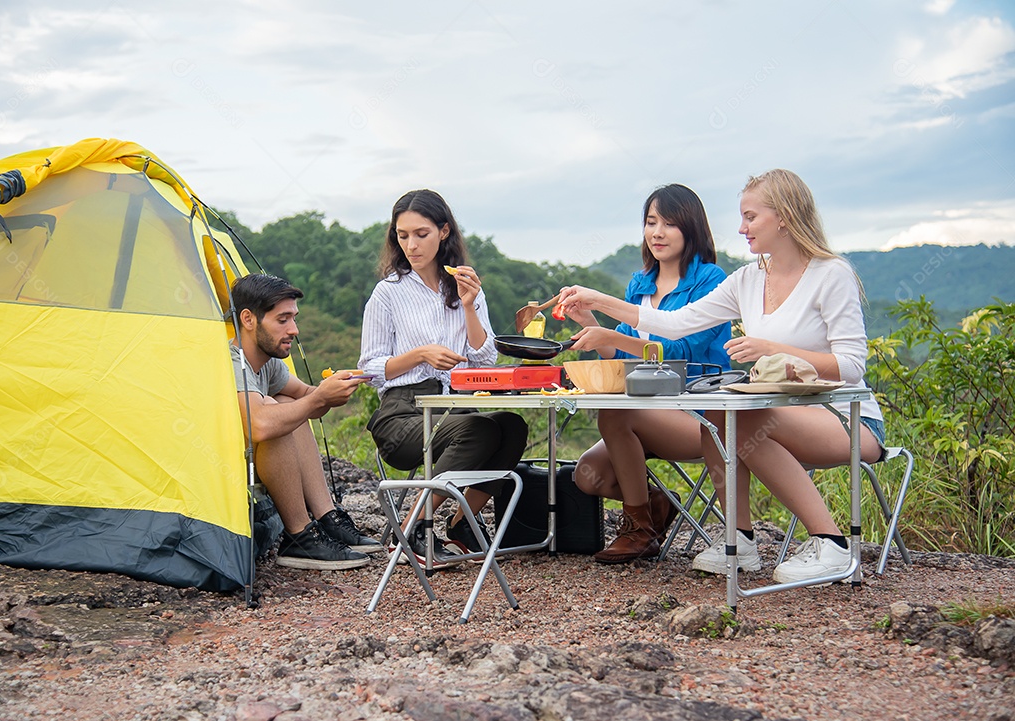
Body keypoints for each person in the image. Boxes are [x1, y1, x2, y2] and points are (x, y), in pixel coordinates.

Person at [559, 169, 885, 584]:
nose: (741, 227)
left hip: (848, 419)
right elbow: (673, 324)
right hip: (779, 411)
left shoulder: (829, 273)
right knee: (720, 410)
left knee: (740, 414)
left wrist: (772, 349)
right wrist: (597, 300)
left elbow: (852, 364)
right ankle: (739, 540)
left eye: (750, 217)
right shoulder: (748, 279)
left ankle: (832, 544)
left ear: (783, 217)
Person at [563, 184, 731, 564]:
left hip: (701, 417)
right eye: (651, 222)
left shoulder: (711, 281)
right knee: (586, 476)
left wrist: (608, 330)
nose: (657, 232)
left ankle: (638, 530)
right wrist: (592, 325)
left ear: (692, 229)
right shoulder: (640, 284)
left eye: (669, 224)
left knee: (618, 412)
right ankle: (655, 505)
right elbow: (620, 351)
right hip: (644, 413)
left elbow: (680, 352)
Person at [359, 189, 528, 565]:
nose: (411, 245)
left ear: (444, 231)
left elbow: (485, 362)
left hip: (457, 405)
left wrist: (469, 307)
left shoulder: (467, 287)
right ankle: (410, 529)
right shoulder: (388, 293)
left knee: (513, 426)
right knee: (478, 430)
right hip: (404, 411)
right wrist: (419, 355)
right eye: (402, 236)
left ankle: (461, 523)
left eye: (421, 234)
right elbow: (369, 367)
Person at [230, 273, 383, 570]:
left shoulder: (267, 362)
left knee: (289, 403)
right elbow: (258, 424)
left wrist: (334, 390)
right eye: (283, 320)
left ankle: (326, 517)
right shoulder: (233, 362)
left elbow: (306, 398)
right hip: (220, 464)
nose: (294, 330)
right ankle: (299, 534)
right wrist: (317, 399)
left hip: (258, 455)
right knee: (277, 411)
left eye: (294, 319)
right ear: (248, 319)